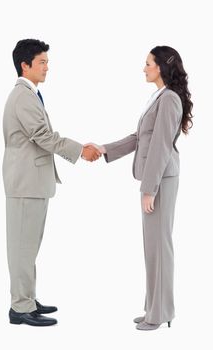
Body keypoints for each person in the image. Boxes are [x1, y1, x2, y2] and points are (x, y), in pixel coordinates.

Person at [90, 46, 193, 330]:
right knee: (153, 247)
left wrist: (149, 189)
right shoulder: (158, 97)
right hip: (157, 179)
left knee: (160, 247)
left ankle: (160, 313)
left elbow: (160, 146)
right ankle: (154, 307)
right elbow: (140, 137)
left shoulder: (170, 99)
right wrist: (105, 148)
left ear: (160, 66)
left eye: (147, 63)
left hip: (161, 180)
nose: (144, 68)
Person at [2, 39, 101, 326]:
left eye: (47, 61)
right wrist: (80, 149)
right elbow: (43, 136)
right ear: (25, 64)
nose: (47, 67)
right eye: (42, 62)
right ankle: (20, 308)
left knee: (28, 247)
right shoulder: (22, 96)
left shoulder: (30, 94)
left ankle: (27, 300)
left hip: (32, 183)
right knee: (21, 249)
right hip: (24, 183)